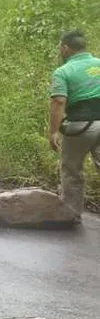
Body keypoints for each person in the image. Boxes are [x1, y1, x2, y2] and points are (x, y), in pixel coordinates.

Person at [49, 30, 100, 220]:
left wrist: (53, 131)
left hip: (80, 126)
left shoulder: (63, 72)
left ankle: (71, 214)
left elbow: (58, 102)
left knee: (71, 170)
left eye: (59, 47)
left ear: (65, 48)